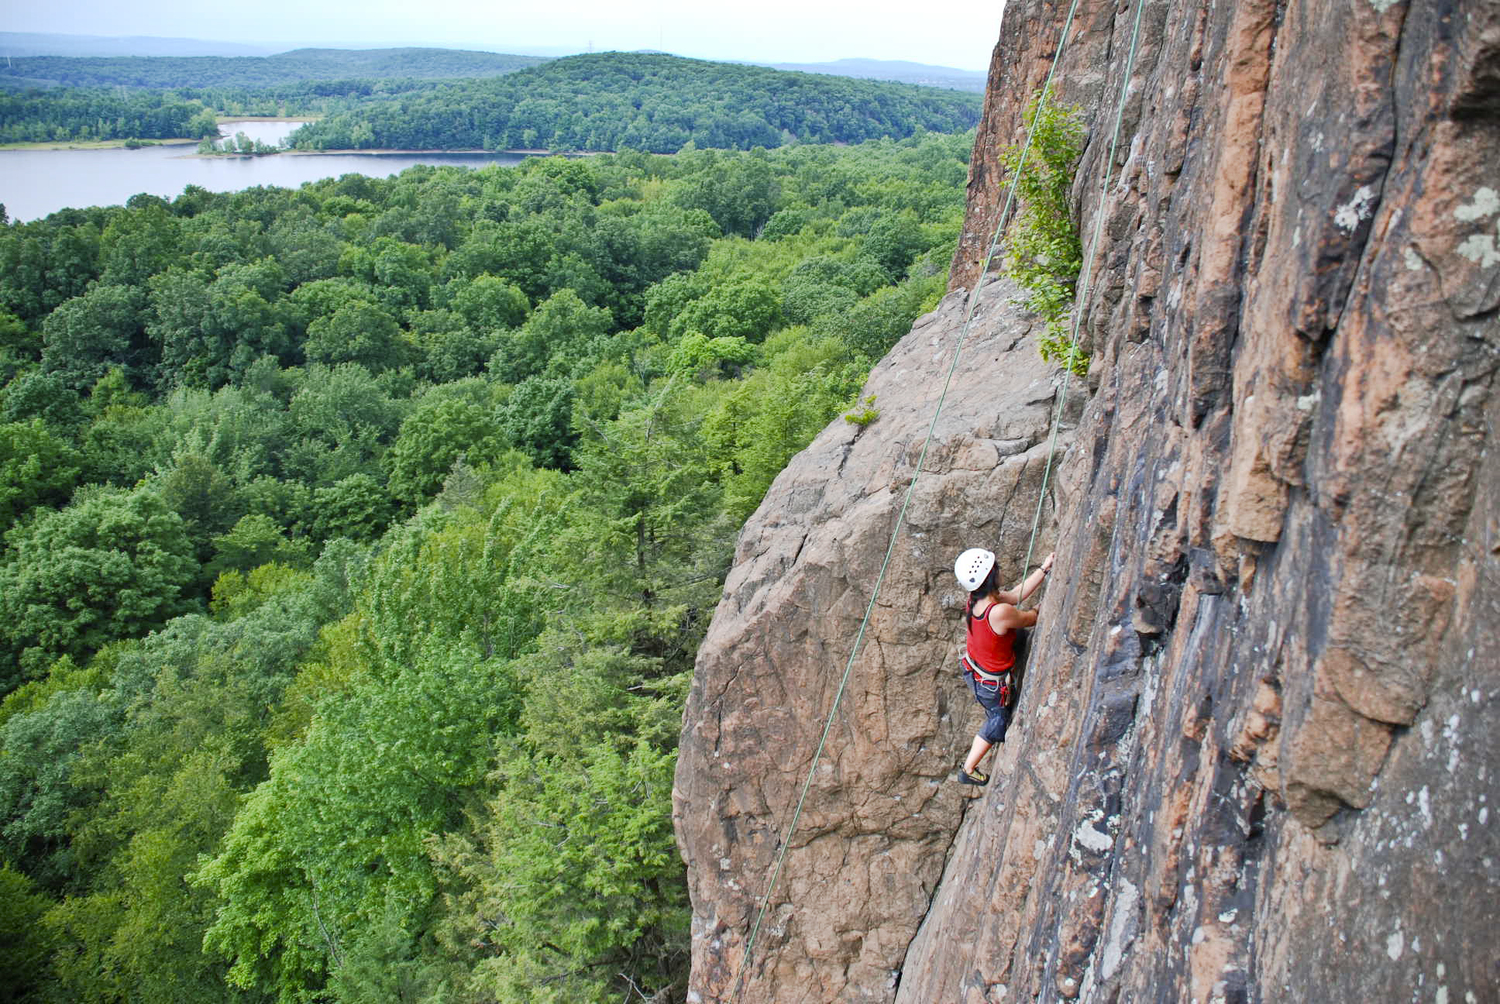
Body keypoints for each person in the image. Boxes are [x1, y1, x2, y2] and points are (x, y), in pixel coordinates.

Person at [952, 546, 1054, 786]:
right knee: (998, 718)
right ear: (990, 576)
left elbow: (1017, 594)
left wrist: (1044, 568)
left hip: (974, 670)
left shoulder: (978, 600)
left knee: (1014, 637)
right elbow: (1031, 617)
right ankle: (969, 767)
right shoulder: (997, 612)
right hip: (989, 685)